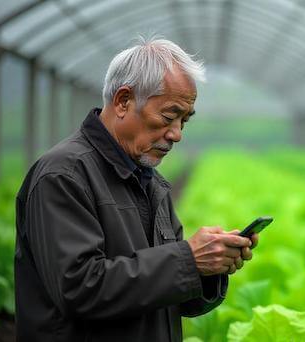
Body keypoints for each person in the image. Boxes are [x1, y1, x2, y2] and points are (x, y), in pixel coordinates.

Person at [14, 37, 258, 342]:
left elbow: (162, 293)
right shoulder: (63, 175)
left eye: (184, 120)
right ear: (123, 101)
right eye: (169, 117)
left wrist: (208, 269)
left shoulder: (152, 182)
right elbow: (78, 290)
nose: (177, 134)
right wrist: (188, 260)